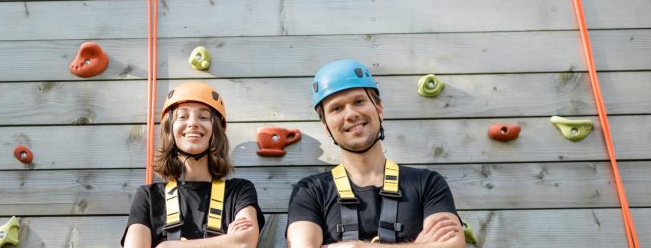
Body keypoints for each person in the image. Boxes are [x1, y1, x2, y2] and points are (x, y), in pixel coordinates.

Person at [286, 59, 464, 247]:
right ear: (327, 127)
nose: (351, 114)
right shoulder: (310, 191)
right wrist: (419, 245)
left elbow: (452, 244)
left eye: (359, 101)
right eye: (336, 108)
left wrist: (357, 246)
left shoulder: (427, 183)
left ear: (379, 109)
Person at [122, 82, 265, 248]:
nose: (193, 123)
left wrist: (166, 246)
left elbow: (244, 243)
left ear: (216, 130)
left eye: (203, 117)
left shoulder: (238, 191)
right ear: (170, 130)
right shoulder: (148, 197)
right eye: (182, 116)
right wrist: (226, 241)